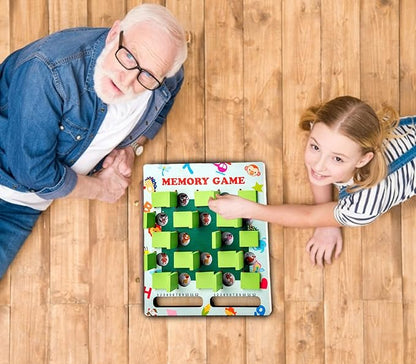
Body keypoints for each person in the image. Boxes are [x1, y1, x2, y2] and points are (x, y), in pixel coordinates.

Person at [0, 4, 188, 278]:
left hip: (24, 206)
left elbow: (164, 102)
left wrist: (132, 147)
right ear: (114, 33)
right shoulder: (48, 72)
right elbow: (33, 175)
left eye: (147, 75)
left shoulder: (164, 78)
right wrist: (101, 189)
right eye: (128, 57)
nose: (127, 80)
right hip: (11, 186)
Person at [208, 95, 416, 266]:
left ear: (363, 159)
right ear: (314, 126)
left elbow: (308, 216)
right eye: (315, 147)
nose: (318, 165)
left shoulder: (362, 208)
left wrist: (249, 209)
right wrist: (327, 220)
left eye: (337, 159)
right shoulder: (353, 135)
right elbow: (318, 174)